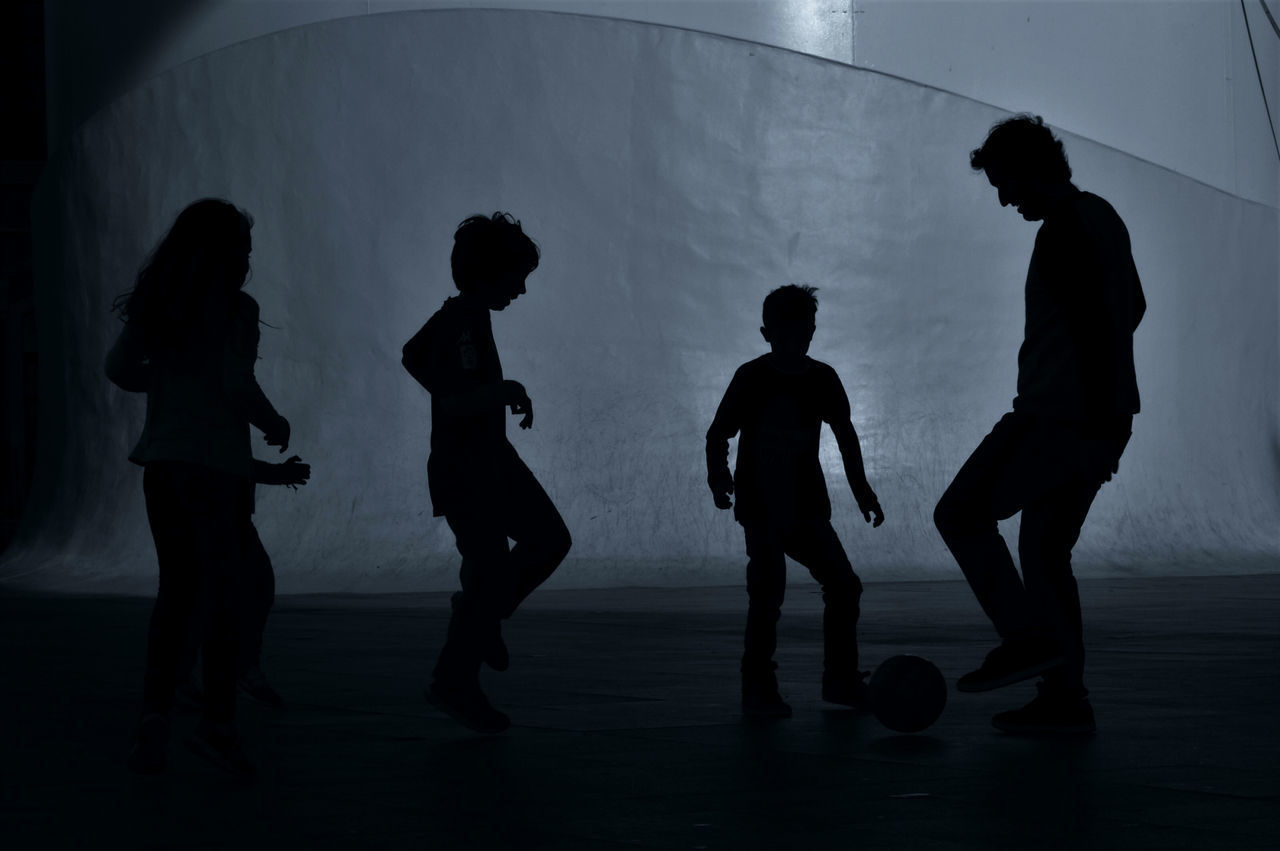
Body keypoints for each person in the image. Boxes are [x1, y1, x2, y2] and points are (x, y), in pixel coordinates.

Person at [934, 115, 1145, 734]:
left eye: (1006, 183)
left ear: (1031, 171)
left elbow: (1096, 328)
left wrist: (1093, 421)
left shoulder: (1063, 230)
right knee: (1046, 552)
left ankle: (1028, 640)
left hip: (1061, 417)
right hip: (1096, 415)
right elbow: (1131, 309)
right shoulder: (1101, 216)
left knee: (961, 513)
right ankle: (1066, 698)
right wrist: (1111, 418)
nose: (1004, 198)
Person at [106, 198, 291, 776]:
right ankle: (217, 725)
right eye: (244, 249)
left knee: (177, 595)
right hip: (219, 470)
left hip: (163, 467)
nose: (248, 261)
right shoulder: (236, 310)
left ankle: (153, 719)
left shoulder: (161, 306)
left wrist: (167, 378)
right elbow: (238, 383)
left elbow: (118, 368)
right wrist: (273, 422)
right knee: (226, 596)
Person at [402, 212, 572, 734]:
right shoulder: (461, 321)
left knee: (542, 543)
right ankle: (460, 669)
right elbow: (451, 396)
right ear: (488, 273)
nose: (521, 289)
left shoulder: (466, 317)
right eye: (516, 277)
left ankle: (482, 618)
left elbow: (413, 355)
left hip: (488, 459)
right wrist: (501, 392)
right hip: (468, 465)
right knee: (523, 552)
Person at [706, 284, 884, 718]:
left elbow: (845, 435)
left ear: (811, 332)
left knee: (833, 586)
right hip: (765, 506)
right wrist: (719, 478)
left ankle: (827, 681)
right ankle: (771, 683)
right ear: (768, 333)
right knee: (771, 592)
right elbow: (719, 434)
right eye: (791, 334)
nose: (797, 342)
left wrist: (862, 489)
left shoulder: (815, 378)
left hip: (802, 507)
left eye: (803, 334)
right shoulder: (755, 377)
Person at [175, 455, 311, 713]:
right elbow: (225, 456)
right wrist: (277, 461)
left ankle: (188, 674)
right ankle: (233, 672)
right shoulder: (215, 429)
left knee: (212, 590)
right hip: (218, 505)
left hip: (210, 502)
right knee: (248, 586)